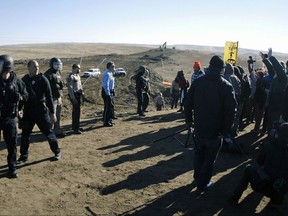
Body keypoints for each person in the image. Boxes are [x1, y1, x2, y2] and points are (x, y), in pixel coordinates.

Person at [185, 55, 237, 196]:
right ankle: (202, 183)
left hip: (200, 128)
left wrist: (189, 120)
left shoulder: (198, 82)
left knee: (199, 154)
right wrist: (225, 131)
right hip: (216, 132)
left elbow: (187, 103)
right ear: (221, 69)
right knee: (209, 158)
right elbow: (231, 112)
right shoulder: (226, 86)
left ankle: (198, 178)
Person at [229, 122, 288, 207]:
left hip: (262, 184)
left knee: (248, 169)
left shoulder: (268, 146)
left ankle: (235, 197)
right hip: (279, 189)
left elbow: (259, 162)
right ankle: (276, 200)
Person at [17, 60, 61, 164]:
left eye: (37, 66)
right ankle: (23, 156)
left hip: (40, 110)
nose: (37, 68)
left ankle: (57, 152)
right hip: (28, 111)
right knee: (25, 135)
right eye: (34, 66)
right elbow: (21, 97)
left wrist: (52, 113)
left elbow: (49, 97)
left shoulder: (43, 79)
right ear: (29, 68)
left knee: (48, 132)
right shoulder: (24, 80)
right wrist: (19, 109)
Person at [0, 54, 28, 178]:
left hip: (10, 118)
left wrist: (20, 97)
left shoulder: (17, 81)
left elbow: (26, 95)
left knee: (12, 145)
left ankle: (12, 169)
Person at [260, 48, 287, 135]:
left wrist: (272, 58)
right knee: (270, 123)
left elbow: (279, 70)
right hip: (273, 103)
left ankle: (272, 141)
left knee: (274, 126)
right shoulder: (277, 76)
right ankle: (269, 139)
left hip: (278, 104)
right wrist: (265, 59)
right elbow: (271, 68)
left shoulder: (284, 77)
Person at [44, 57, 65, 137]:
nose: (58, 66)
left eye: (59, 65)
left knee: (58, 115)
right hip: (52, 98)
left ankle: (57, 130)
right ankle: (49, 131)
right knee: (52, 116)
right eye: (56, 65)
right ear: (52, 65)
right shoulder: (47, 74)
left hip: (58, 97)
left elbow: (60, 84)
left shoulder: (58, 73)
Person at [66, 64, 83, 134]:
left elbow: (79, 85)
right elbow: (70, 88)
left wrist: (82, 91)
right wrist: (73, 98)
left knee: (76, 111)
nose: (79, 70)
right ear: (75, 68)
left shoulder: (77, 75)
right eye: (78, 68)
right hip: (74, 95)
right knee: (76, 112)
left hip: (78, 94)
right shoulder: (71, 76)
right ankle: (76, 128)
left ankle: (75, 126)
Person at [102, 61, 116, 126]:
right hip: (107, 92)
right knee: (108, 107)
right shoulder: (107, 74)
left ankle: (109, 120)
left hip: (110, 91)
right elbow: (106, 85)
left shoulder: (110, 73)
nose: (114, 68)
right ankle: (106, 122)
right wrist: (108, 94)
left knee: (110, 106)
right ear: (109, 67)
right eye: (113, 66)